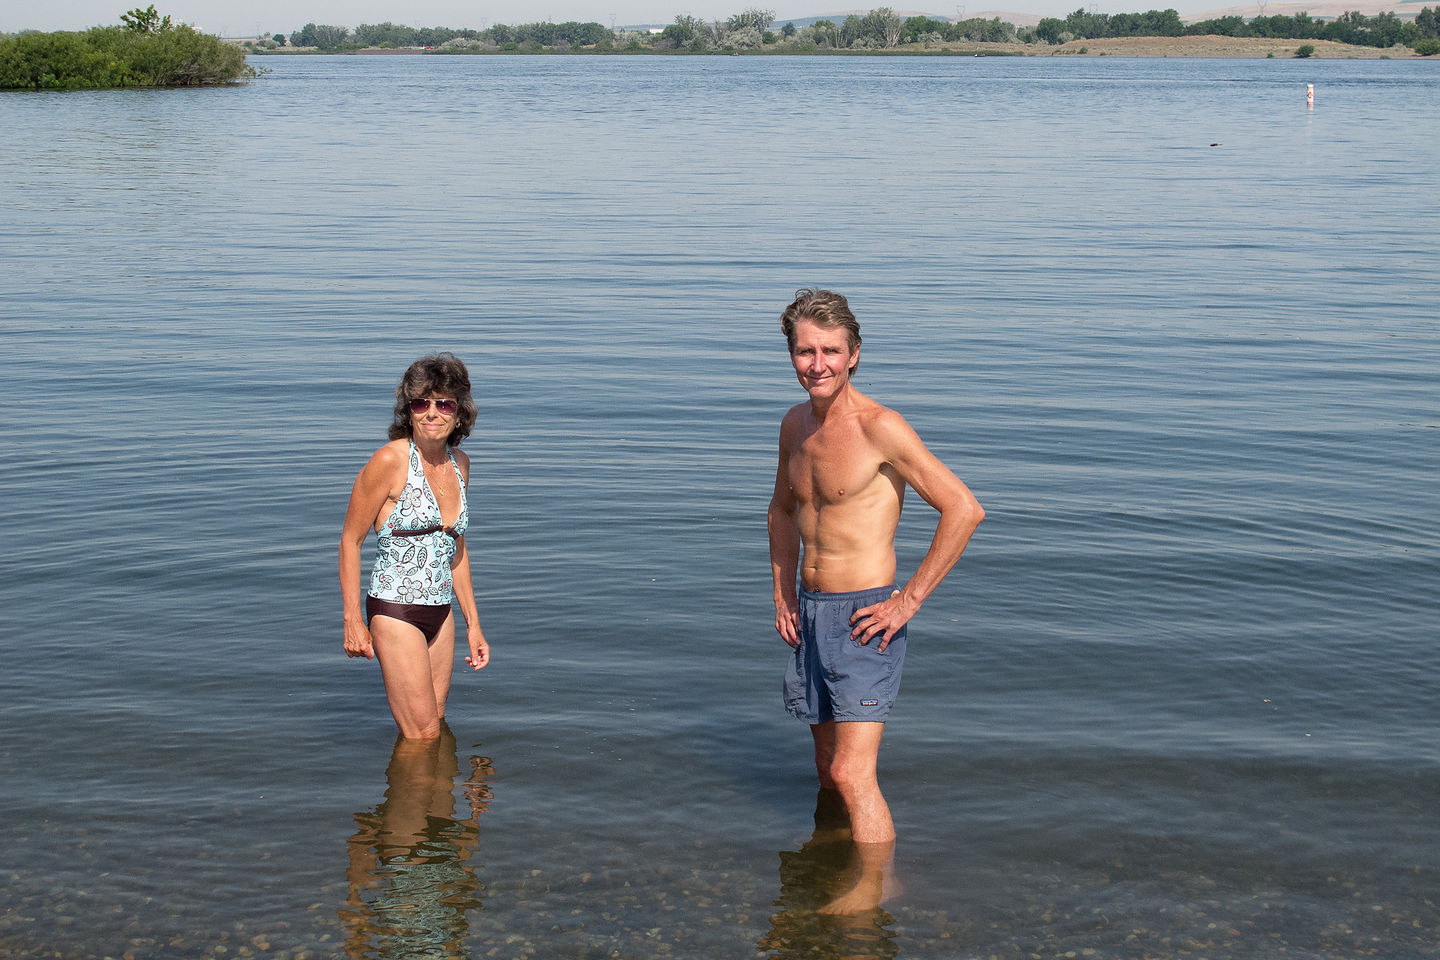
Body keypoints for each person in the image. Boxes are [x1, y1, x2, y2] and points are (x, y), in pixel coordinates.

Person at [768, 289, 984, 849]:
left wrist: (907, 601)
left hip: (865, 616)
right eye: (805, 351)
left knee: (850, 772)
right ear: (791, 355)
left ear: (854, 353)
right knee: (824, 764)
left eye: (831, 351)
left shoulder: (880, 428)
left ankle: (872, 899)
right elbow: (782, 509)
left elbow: (964, 508)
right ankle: (831, 861)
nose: (818, 364)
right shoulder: (795, 426)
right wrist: (782, 595)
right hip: (809, 613)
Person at [340, 352, 490, 740]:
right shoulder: (390, 460)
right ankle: (404, 802)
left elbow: (455, 549)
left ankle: (438, 801)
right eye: (422, 403)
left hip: (441, 614)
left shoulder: (461, 464)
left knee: (435, 724)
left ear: (459, 413)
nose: (432, 413)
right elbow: (350, 540)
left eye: (444, 404)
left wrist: (474, 625)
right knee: (421, 735)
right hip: (396, 611)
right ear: (408, 410)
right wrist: (353, 620)